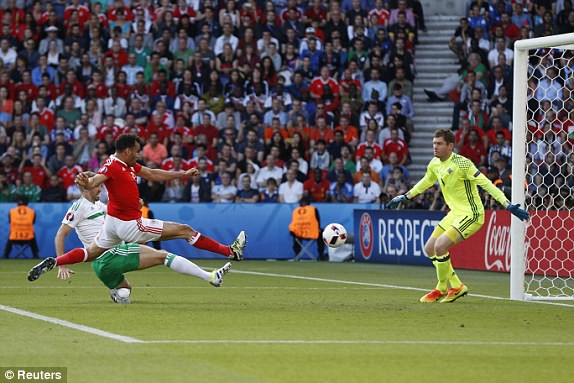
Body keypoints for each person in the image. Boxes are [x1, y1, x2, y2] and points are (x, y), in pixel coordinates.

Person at [28, 134, 246, 281]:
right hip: (130, 224)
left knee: (90, 252)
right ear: (126, 151)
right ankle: (230, 251)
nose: (138, 154)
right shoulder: (113, 166)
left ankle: (54, 261)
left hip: (111, 224)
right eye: (136, 151)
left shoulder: (127, 165)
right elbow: (97, 180)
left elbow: (152, 173)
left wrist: (182, 174)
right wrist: (88, 183)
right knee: (185, 230)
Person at [386, 129, 529, 303]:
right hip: (455, 214)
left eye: (439, 144)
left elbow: (486, 183)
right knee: (429, 247)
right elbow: (426, 181)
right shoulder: (434, 164)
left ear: (450, 146)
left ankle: (441, 288)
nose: (435, 147)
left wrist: (507, 204)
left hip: (472, 214)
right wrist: (405, 196)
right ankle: (457, 285)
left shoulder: (462, 164)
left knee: (440, 246)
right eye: (434, 143)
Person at [51, 172, 231, 304]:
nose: (101, 188)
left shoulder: (99, 204)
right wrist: (62, 264)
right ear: (88, 186)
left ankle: (119, 294)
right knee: (163, 256)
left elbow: (117, 216)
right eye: (98, 185)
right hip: (112, 253)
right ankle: (211, 276)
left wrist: (133, 207)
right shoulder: (79, 207)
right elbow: (61, 234)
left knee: (125, 290)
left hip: (99, 266)